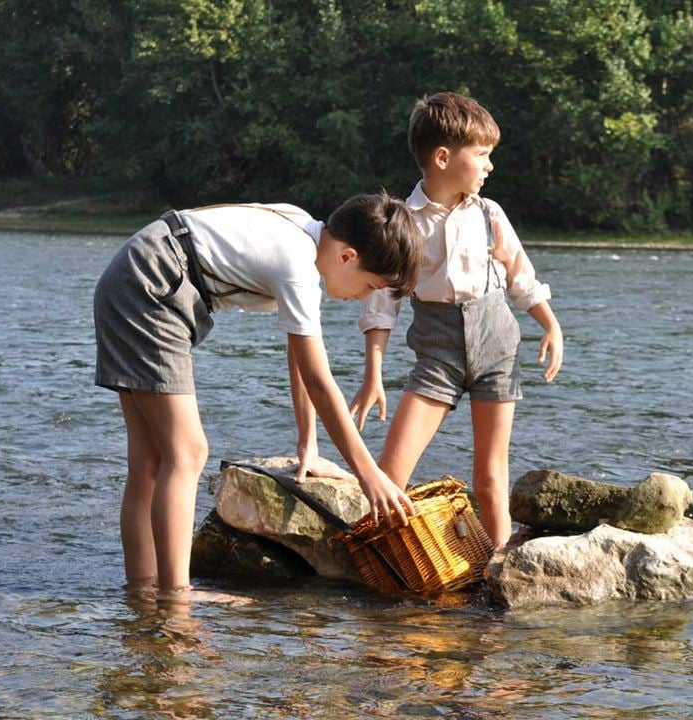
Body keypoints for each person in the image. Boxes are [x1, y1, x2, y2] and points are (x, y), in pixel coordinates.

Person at [94, 194, 422, 595]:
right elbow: (320, 381)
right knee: (188, 451)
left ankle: (144, 594)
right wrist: (370, 476)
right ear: (348, 256)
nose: (365, 297)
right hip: (153, 284)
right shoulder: (297, 265)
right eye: (371, 285)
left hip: (137, 271)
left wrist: (309, 444)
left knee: (150, 461)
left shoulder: (303, 232)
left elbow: (299, 357)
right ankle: (176, 603)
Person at [349, 92, 564, 549]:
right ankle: (387, 563)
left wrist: (550, 324)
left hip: (496, 349)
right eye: (482, 155)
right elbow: (382, 305)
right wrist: (373, 376)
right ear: (443, 157)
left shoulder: (490, 214)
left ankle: (500, 572)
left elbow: (520, 276)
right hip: (437, 356)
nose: (489, 166)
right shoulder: (404, 224)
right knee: (390, 473)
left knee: (489, 478)